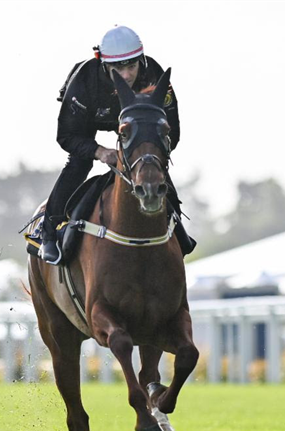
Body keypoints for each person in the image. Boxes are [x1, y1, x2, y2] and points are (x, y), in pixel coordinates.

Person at [39, 25, 195, 265]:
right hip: (91, 116)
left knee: (151, 162)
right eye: (118, 69)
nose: (127, 75)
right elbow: (66, 136)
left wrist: (144, 157)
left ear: (141, 61)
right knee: (79, 163)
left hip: (137, 121)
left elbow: (171, 130)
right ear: (103, 65)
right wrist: (99, 151)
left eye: (132, 67)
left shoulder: (154, 75)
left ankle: (177, 228)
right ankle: (47, 230)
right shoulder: (84, 81)